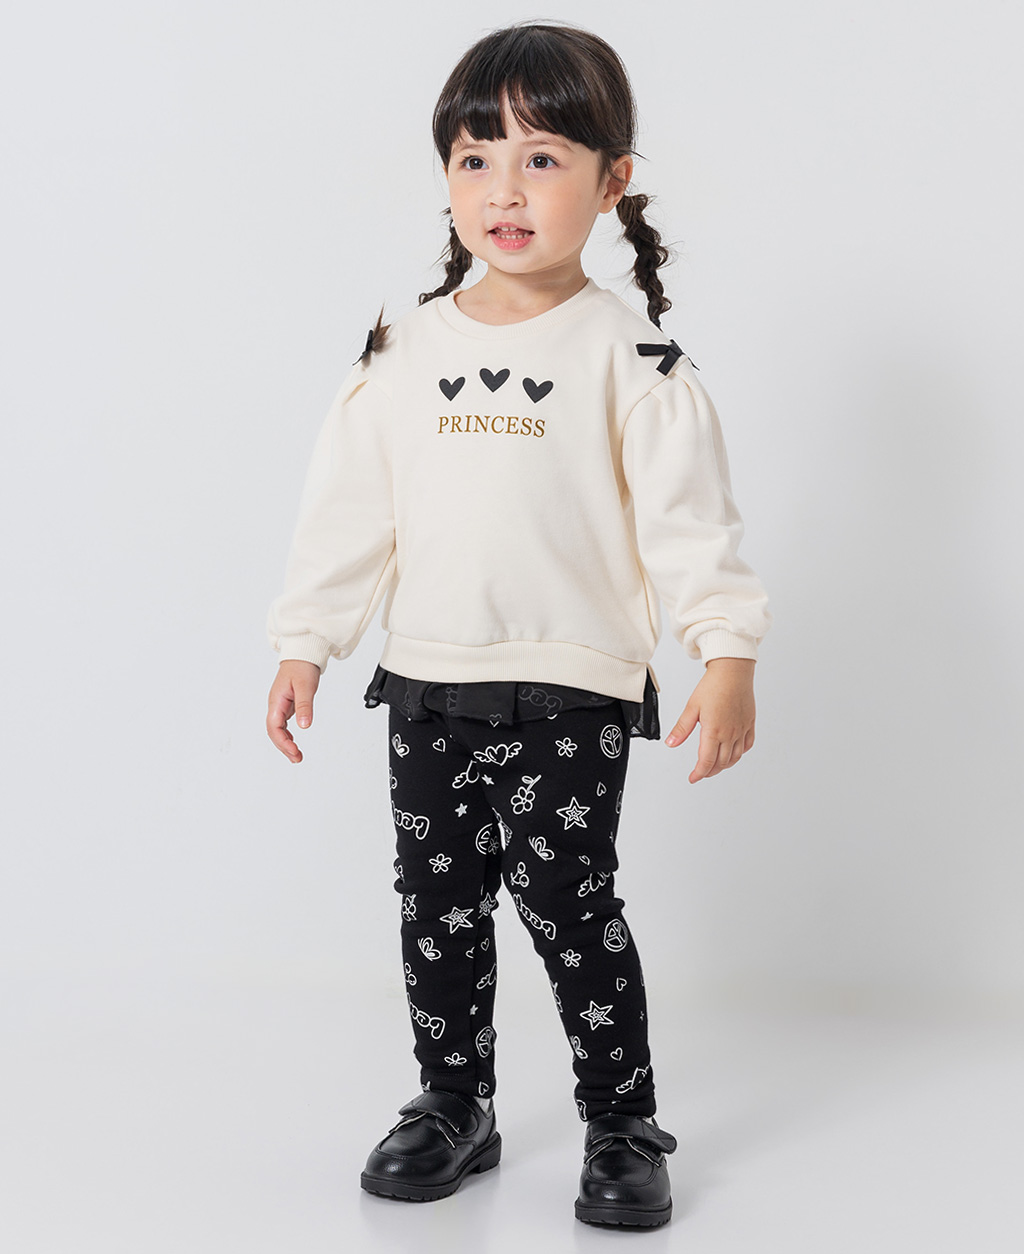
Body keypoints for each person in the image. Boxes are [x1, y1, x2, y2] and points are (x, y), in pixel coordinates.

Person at [265, 20, 771, 1229]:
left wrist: (726, 651)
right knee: (435, 910)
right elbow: (349, 513)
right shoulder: (402, 350)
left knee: (570, 905)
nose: (504, 189)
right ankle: (454, 1103)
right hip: (427, 682)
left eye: (542, 159)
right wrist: (306, 641)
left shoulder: (632, 357)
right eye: (475, 158)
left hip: (571, 688)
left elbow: (690, 523)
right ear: (445, 177)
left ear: (611, 180)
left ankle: (622, 1121)